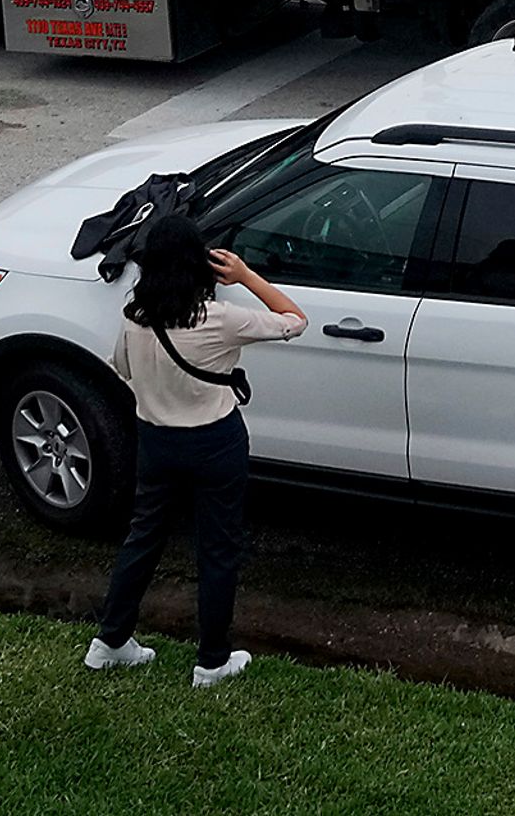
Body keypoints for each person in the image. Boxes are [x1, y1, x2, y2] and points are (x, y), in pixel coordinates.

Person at [87, 213, 305, 688]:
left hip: (157, 441)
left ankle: (110, 641)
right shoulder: (220, 319)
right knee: (218, 549)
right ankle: (211, 661)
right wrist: (246, 275)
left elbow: (121, 368)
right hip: (215, 442)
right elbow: (295, 321)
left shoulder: (134, 317)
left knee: (142, 538)